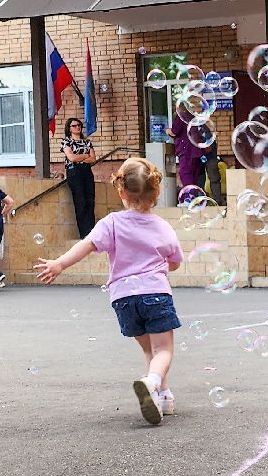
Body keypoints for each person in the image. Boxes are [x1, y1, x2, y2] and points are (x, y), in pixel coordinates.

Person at [34, 158, 183, 426]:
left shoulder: (112, 222)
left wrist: (59, 264)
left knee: (149, 349)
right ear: (156, 192)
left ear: (121, 191)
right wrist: (162, 264)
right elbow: (174, 261)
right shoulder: (162, 226)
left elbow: (87, 245)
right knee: (163, 350)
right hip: (155, 294)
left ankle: (164, 398)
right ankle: (152, 382)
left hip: (124, 299)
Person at [61, 117, 98, 237]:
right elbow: (71, 158)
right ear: (69, 128)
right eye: (74, 126)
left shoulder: (87, 142)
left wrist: (80, 157)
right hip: (74, 172)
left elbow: (93, 159)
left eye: (79, 125)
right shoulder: (67, 142)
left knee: (90, 201)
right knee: (80, 201)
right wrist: (85, 155)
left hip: (86, 171)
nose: (77, 127)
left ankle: (92, 232)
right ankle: (84, 233)